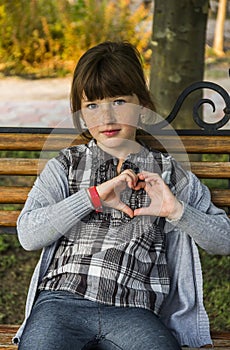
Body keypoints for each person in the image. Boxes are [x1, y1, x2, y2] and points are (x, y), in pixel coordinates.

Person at [14, 41, 230, 350]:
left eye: (118, 101)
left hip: (134, 310)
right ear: (81, 113)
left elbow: (224, 239)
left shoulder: (168, 173)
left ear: (141, 107)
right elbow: (28, 234)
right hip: (62, 302)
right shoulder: (65, 165)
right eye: (92, 105)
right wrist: (92, 197)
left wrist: (176, 211)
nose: (106, 118)